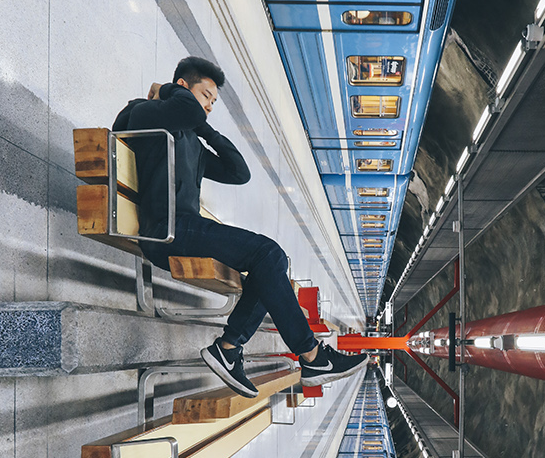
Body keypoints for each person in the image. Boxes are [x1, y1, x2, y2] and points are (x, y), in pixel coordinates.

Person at [112, 57, 368, 396]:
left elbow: (239, 172)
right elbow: (184, 112)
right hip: (165, 231)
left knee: (272, 262)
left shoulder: (190, 139)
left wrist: (203, 127)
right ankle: (306, 354)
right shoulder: (145, 113)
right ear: (183, 87)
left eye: (213, 102)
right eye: (206, 95)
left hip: (184, 229)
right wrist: (172, 92)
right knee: (268, 255)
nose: (209, 106)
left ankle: (233, 350)